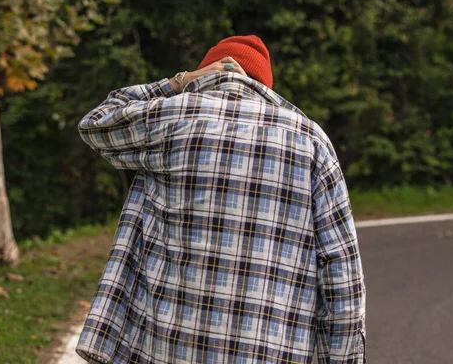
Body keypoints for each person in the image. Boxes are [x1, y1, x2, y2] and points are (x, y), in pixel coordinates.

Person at [76, 35, 366, 363]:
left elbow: (97, 121)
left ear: (206, 73)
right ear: (264, 86)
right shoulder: (310, 141)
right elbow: (341, 271)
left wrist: (178, 82)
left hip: (171, 348)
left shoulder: (172, 117)